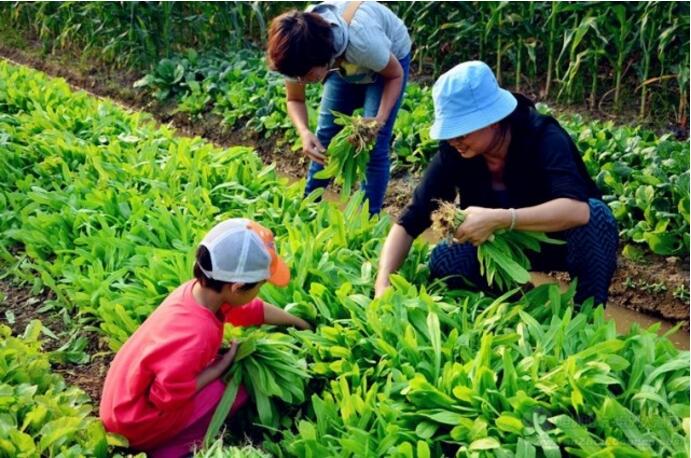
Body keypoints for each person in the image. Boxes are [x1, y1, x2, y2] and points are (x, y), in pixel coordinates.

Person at [374, 61, 618, 306]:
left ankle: (587, 312)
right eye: (449, 134)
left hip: (562, 243)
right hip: (504, 248)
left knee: (598, 216)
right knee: (446, 261)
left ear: (492, 120)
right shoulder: (454, 151)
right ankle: (517, 295)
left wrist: (501, 218)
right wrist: (382, 283)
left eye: (462, 132)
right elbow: (411, 219)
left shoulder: (543, 137)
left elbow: (577, 211)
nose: (454, 141)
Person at [100, 218, 310, 457]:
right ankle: (173, 448)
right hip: (134, 424)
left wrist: (298, 322)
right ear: (237, 287)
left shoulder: (196, 292)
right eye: (258, 287)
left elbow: (252, 310)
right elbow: (166, 397)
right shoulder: (199, 333)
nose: (257, 293)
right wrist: (222, 365)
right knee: (237, 387)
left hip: (121, 402)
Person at [267, 1, 412, 214]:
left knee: (372, 145)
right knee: (324, 137)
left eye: (306, 76)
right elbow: (295, 100)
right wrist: (304, 132)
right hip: (343, 57)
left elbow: (395, 74)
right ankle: (307, 208)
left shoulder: (363, 43)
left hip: (388, 60)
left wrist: (378, 120)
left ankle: (366, 220)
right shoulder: (296, 48)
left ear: (323, 59)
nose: (301, 81)